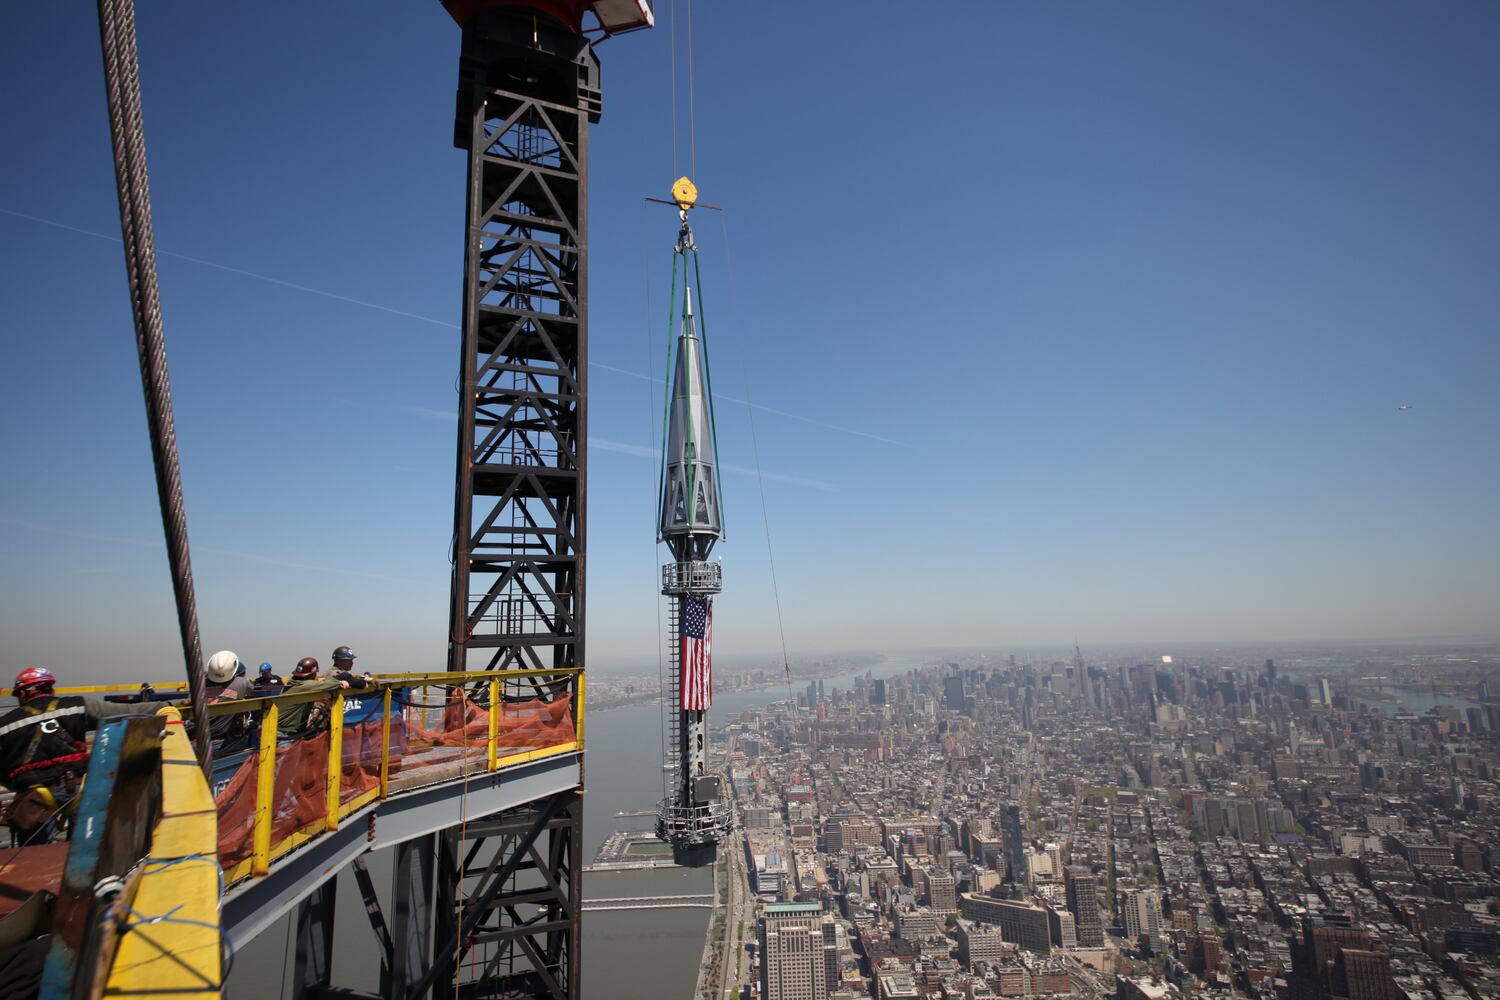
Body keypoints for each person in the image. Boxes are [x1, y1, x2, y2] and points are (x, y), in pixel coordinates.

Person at [0, 667, 159, 844]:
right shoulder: (76, 706)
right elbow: (130, 712)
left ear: (23, 694)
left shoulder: (5, 725)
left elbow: (2, 771)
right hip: (77, 788)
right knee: (88, 844)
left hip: (34, 795)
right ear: (50, 688)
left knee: (31, 849)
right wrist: (168, 707)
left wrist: (15, 784)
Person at [276, 657, 366, 740]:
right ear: (313, 673)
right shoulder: (306, 686)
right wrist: (340, 683)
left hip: (276, 728)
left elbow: (322, 682)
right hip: (284, 732)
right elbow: (329, 683)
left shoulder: (292, 682)